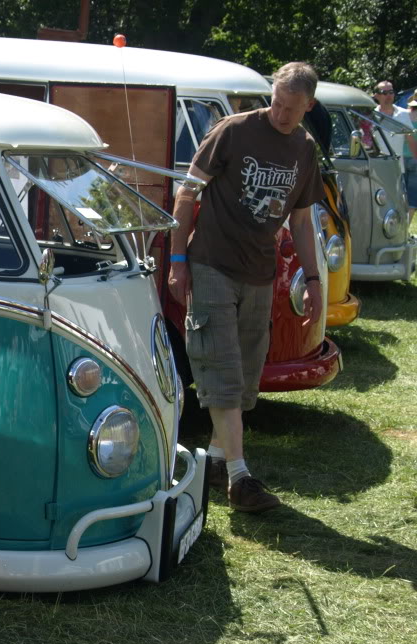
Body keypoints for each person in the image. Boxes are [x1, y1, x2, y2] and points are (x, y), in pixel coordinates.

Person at [167, 62, 325, 514]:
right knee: (219, 370)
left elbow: (300, 221)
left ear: (308, 106)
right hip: (212, 262)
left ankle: (216, 461)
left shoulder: (304, 149)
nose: (280, 114)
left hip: (260, 272)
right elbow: (187, 193)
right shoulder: (233, 131)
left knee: (245, 381)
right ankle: (241, 477)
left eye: (291, 109)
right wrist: (178, 262)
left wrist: (313, 280)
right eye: (276, 103)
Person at [372, 81, 417, 176]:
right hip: (377, 170)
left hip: (398, 169)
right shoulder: (370, 116)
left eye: (391, 92)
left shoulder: (403, 114)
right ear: (376, 96)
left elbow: (410, 140)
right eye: (384, 93)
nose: (388, 95)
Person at [405, 98, 417, 224]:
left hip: (401, 158)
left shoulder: (404, 115)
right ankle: (405, 230)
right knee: (413, 197)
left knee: (400, 194)